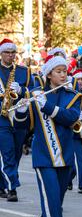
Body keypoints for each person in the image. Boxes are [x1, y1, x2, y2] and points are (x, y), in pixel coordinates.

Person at [14, 55, 81, 217]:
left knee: (56, 200)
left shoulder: (74, 96)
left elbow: (70, 118)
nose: (63, 75)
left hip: (65, 155)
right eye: (58, 71)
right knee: (52, 199)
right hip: (44, 157)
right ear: (49, 74)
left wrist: (47, 107)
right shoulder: (37, 95)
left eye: (65, 71)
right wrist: (23, 110)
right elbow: (23, 126)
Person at [0, 38, 34, 202]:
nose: (10, 55)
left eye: (13, 52)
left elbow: (35, 91)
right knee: (7, 153)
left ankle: (2, 184)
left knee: (16, 154)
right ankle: (12, 188)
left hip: (20, 117)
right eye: (7, 52)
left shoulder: (24, 71)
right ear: (1, 54)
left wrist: (22, 90)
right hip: (2, 118)